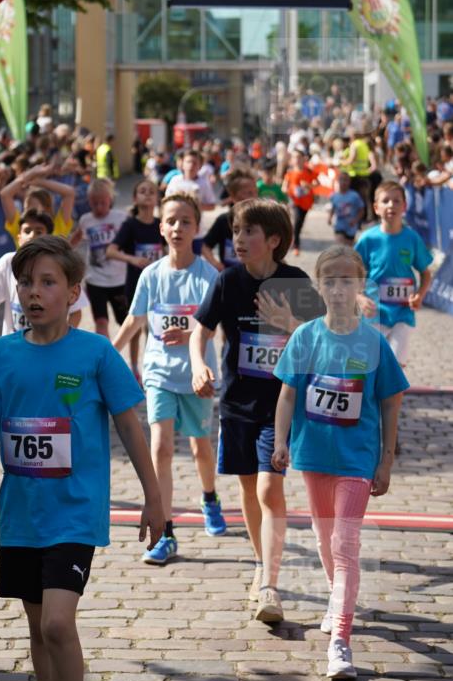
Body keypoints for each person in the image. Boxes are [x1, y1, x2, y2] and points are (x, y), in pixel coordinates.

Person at [0, 235, 163, 681]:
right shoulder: (0, 355)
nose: (33, 292)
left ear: (74, 293)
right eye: (26, 283)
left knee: (56, 624)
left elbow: (129, 426)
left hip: (74, 514)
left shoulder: (95, 353)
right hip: (21, 516)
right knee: (36, 628)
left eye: (48, 282)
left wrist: (154, 495)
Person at [272, 246, 408, 679]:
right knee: (323, 537)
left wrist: (385, 461)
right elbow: (288, 393)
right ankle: (337, 599)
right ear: (318, 286)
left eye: (346, 279)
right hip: (314, 455)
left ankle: (340, 642)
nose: (337, 287)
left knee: (344, 546)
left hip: (357, 459)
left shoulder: (373, 342)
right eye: (329, 280)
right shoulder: (306, 337)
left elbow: (391, 402)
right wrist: (280, 441)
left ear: (361, 284)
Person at [191, 199, 324, 622]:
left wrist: (292, 326)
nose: (238, 240)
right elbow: (202, 329)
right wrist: (198, 364)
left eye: (248, 232)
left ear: (274, 240)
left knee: (269, 489)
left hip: (279, 406)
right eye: (235, 232)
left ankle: (269, 584)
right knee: (249, 490)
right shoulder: (228, 281)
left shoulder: (296, 282)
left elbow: (328, 337)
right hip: (236, 403)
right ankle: (261, 563)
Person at [113, 193, 226, 564]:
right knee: (159, 447)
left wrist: (194, 328)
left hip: (196, 376)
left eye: (186, 222)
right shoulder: (151, 274)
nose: (178, 228)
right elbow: (136, 320)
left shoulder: (208, 276)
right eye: (171, 221)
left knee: (200, 447)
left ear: (197, 228)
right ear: (161, 228)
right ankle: (166, 531)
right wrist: (109, 353)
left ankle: (209, 497)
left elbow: (217, 323)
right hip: (159, 372)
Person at [355, 181, 433, 374]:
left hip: (403, 313)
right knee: (369, 367)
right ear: (376, 208)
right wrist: (359, 297)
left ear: (404, 206)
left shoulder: (412, 238)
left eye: (397, 201)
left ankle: (391, 403)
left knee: (396, 369)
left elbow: (425, 272)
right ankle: (369, 402)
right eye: (386, 201)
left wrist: (420, 295)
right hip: (374, 313)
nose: (391, 205)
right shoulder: (367, 239)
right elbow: (351, 273)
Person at [0, 209, 87, 341]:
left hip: (47, 349)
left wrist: (61, 340)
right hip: (15, 348)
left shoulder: (59, 265)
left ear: (48, 237)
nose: (32, 235)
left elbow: (76, 312)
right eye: (27, 231)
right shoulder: (7, 262)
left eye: (47, 281)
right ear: (18, 237)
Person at [106, 178, 163, 383]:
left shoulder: (161, 224)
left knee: (155, 327)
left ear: (157, 198)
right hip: (136, 284)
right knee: (136, 328)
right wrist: (133, 259)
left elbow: (168, 250)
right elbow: (110, 251)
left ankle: (152, 365)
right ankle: (134, 369)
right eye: (142, 191)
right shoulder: (130, 225)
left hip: (160, 285)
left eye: (151, 191)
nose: (147, 194)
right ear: (134, 198)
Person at [76, 178, 128, 338]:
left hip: (119, 280)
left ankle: (124, 358)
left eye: (103, 203)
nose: (99, 207)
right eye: (94, 203)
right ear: (88, 202)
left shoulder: (121, 218)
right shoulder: (86, 220)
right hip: (95, 280)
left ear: (110, 200)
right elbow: (75, 239)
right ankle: (104, 356)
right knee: (101, 322)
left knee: (125, 321)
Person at [0, 164, 75, 241]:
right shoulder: (21, 226)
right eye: (27, 208)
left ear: (47, 209)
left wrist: (39, 182)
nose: (32, 235)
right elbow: (5, 195)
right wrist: (31, 173)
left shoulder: (58, 226)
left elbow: (69, 193)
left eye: (39, 232)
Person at [201, 172, 258, 273]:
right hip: (231, 277)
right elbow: (205, 246)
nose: (254, 197)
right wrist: (215, 264)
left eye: (255, 192)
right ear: (233, 196)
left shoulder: (263, 220)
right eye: (248, 193)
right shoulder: (224, 220)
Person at [282, 148, 315, 256]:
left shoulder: (309, 171)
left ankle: (294, 239)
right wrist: (289, 190)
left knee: (300, 223)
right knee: (296, 222)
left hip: (306, 202)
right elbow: (284, 188)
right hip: (294, 201)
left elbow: (317, 183)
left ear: (303, 159)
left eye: (298, 157)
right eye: (294, 157)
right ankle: (296, 245)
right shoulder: (290, 173)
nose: (296, 159)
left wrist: (308, 186)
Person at [327, 171, 365, 245]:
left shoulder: (354, 196)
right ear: (337, 181)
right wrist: (330, 217)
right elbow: (333, 208)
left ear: (349, 182)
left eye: (346, 180)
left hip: (351, 226)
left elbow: (361, 210)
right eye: (341, 179)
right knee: (340, 245)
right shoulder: (334, 196)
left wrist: (355, 220)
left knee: (348, 248)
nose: (343, 182)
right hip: (339, 225)